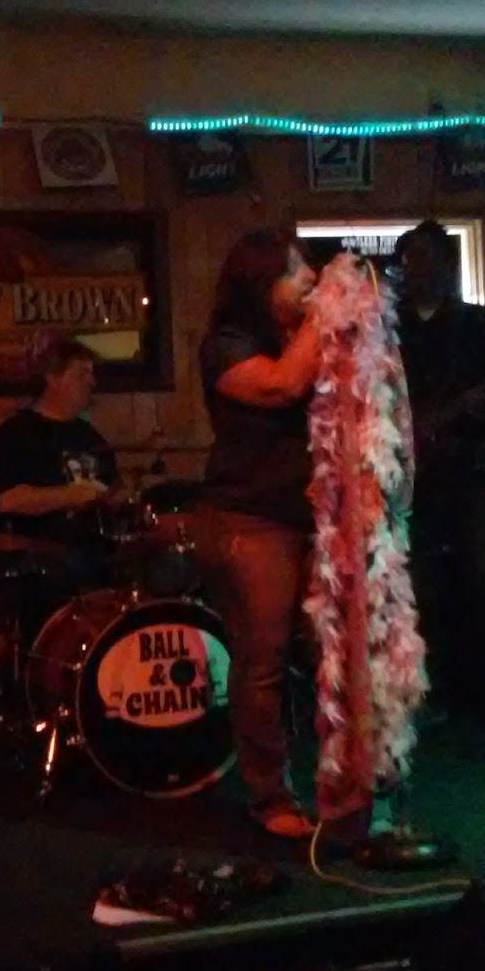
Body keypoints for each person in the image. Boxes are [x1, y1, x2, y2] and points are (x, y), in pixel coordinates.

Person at [193, 228, 325, 840]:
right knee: (263, 659)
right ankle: (269, 796)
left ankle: (348, 786)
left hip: (314, 517)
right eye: (296, 271)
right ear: (260, 284)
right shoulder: (227, 345)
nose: (311, 279)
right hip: (252, 518)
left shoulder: (300, 339)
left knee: (334, 652)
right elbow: (280, 385)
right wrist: (327, 314)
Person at [392, 220, 485, 734]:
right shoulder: (390, 329)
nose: (417, 269)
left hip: (474, 471)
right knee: (422, 592)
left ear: (448, 264)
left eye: (426, 258)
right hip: (414, 479)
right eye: (410, 260)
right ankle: (432, 696)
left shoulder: (480, 324)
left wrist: (482, 405)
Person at [0, 338, 119, 631]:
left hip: (93, 551)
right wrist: (71, 495)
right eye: (81, 374)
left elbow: (112, 491)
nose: (92, 382)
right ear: (52, 378)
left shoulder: (89, 436)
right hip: (39, 560)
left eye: (92, 374)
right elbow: (8, 500)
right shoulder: (18, 433)